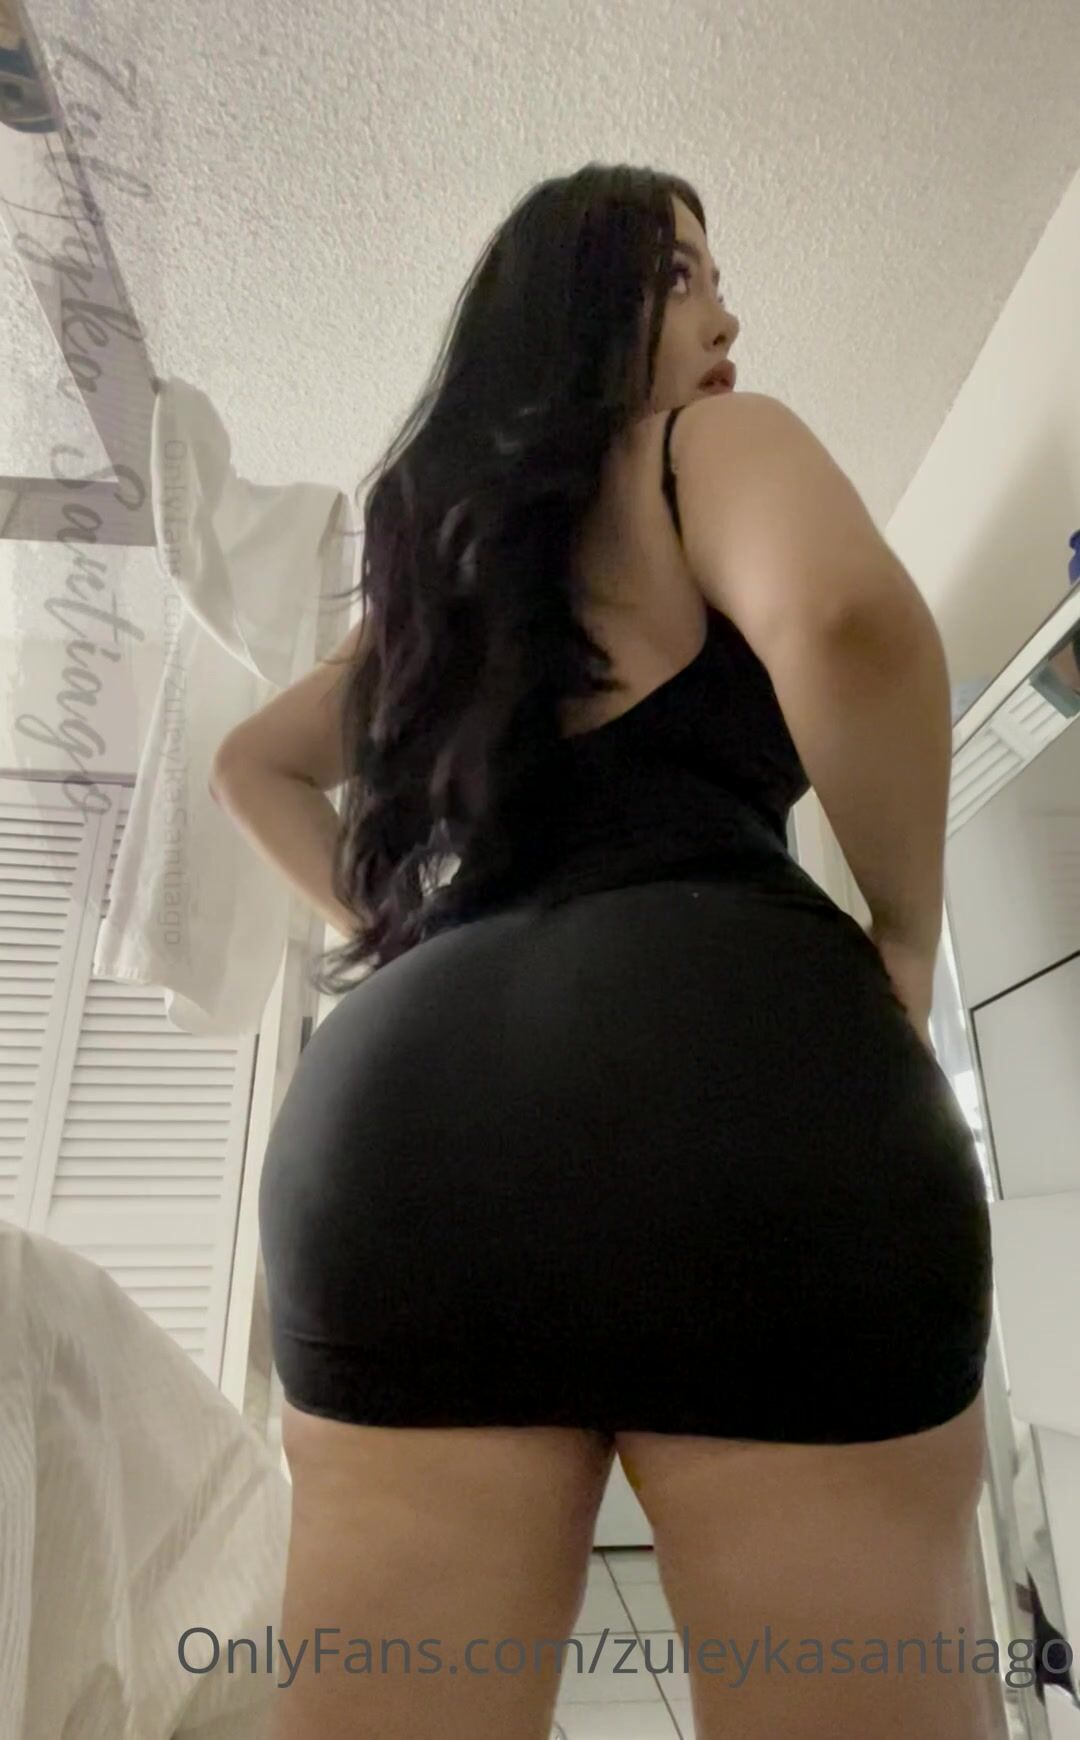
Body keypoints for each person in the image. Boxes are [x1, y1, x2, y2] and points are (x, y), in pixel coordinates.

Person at [210, 164, 995, 1740]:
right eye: (686, 274)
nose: (729, 318)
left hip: (402, 1130)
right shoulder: (704, 447)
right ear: (586, 307)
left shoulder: (442, 574)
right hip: (744, 1082)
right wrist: (904, 936)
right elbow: (848, 619)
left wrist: (404, 944)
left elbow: (253, 765)